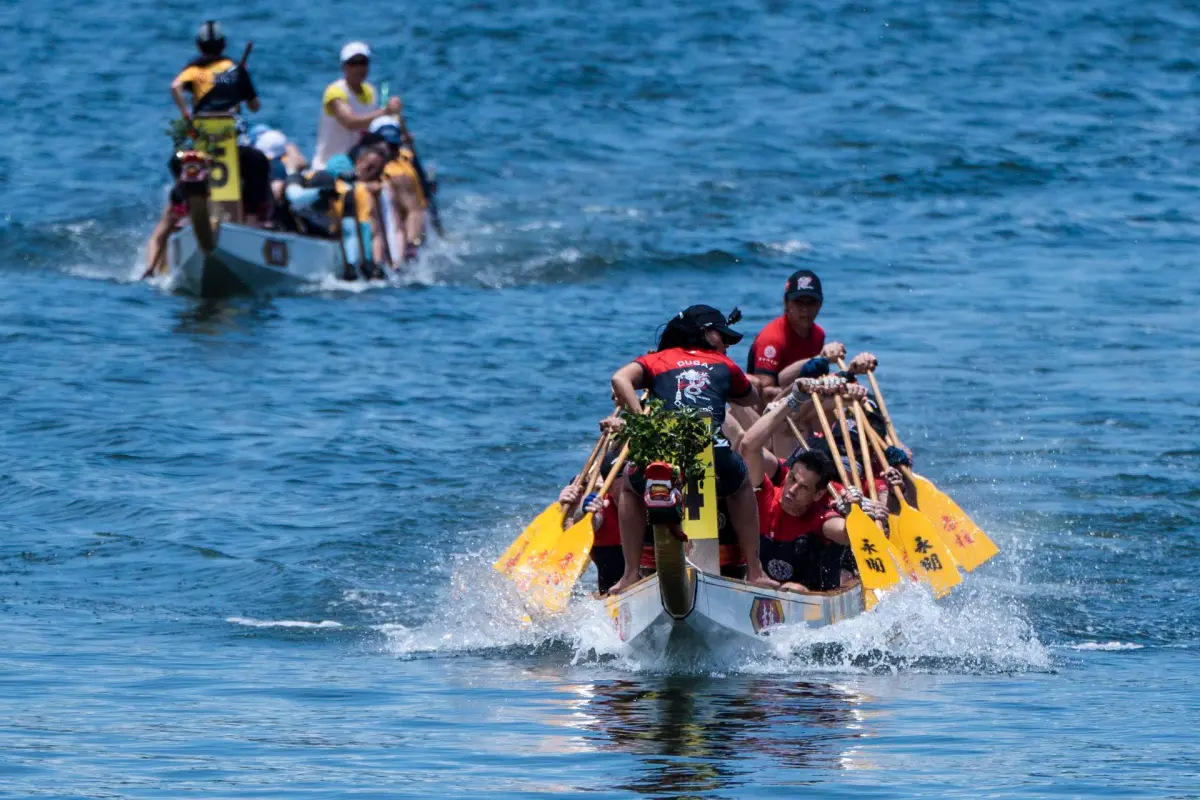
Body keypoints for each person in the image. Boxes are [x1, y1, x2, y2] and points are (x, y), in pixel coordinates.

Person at [605, 305, 778, 594]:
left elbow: (619, 379)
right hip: (711, 447)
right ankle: (756, 571)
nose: (726, 344)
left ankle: (630, 574)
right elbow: (750, 399)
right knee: (741, 485)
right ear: (704, 335)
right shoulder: (724, 364)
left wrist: (639, 422)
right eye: (722, 337)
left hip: (663, 442)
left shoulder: (655, 359)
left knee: (629, 487)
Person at [746, 269, 852, 399]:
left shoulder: (819, 334)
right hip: (771, 410)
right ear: (786, 303)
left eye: (811, 302)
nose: (805, 310)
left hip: (804, 403)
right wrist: (803, 390)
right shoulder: (772, 339)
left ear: (820, 304)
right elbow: (764, 393)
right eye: (799, 302)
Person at [284, 147, 385, 275]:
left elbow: (357, 230)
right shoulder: (307, 181)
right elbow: (294, 195)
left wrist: (363, 263)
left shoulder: (351, 194)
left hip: (330, 232)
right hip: (305, 222)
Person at [312, 41, 402, 171]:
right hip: (330, 166)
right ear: (344, 66)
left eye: (363, 62)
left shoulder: (370, 91)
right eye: (353, 63)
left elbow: (377, 124)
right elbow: (350, 123)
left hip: (359, 165)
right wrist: (385, 112)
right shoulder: (335, 92)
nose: (359, 68)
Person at [368, 116, 428, 264]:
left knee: (407, 211)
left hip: (392, 179)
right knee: (410, 210)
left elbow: (413, 211)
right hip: (401, 179)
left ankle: (408, 251)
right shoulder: (408, 156)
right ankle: (410, 250)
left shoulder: (396, 170)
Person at [170, 20, 259, 119]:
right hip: (230, 125)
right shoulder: (235, 69)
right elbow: (254, 107)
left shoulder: (193, 69)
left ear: (199, 45)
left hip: (202, 125)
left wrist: (186, 115)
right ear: (223, 44)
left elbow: (175, 86)